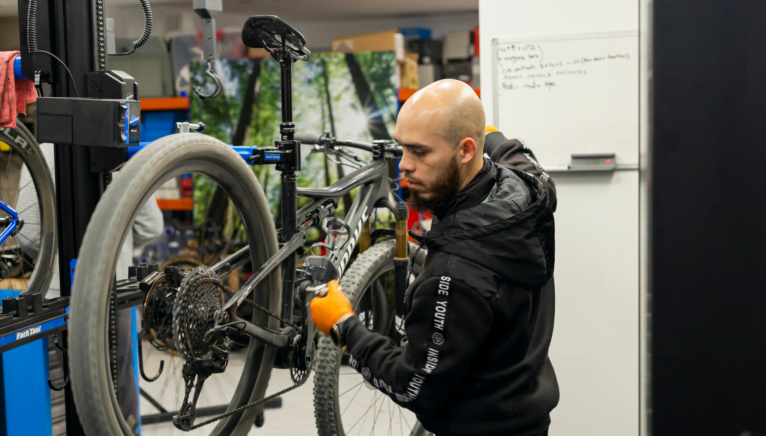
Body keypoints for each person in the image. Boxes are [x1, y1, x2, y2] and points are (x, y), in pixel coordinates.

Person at [311, 79, 559, 436]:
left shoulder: (453, 277)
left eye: (420, 152)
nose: (405, 166)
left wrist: (344, 327)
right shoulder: (528, 195)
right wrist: (490, 133)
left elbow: (414, 387)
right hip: (529, 418)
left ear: (466, 151)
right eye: (402, 149)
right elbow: (525, 164)